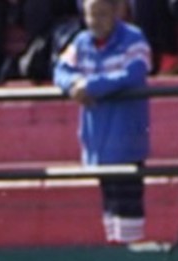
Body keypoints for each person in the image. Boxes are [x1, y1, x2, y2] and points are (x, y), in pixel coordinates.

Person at [53, 0, 152, 245]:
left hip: (126, 140)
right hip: (97, 140)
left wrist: (92, 86)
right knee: (109, 209)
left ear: (115, 12)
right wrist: (73, 84)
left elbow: (135, 72)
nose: (96, 21)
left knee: (128, 209)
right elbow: (60, 70)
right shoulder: (80, 42)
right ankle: (117, 258)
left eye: (102, 14)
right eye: (91, 15)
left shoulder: (133, 38)